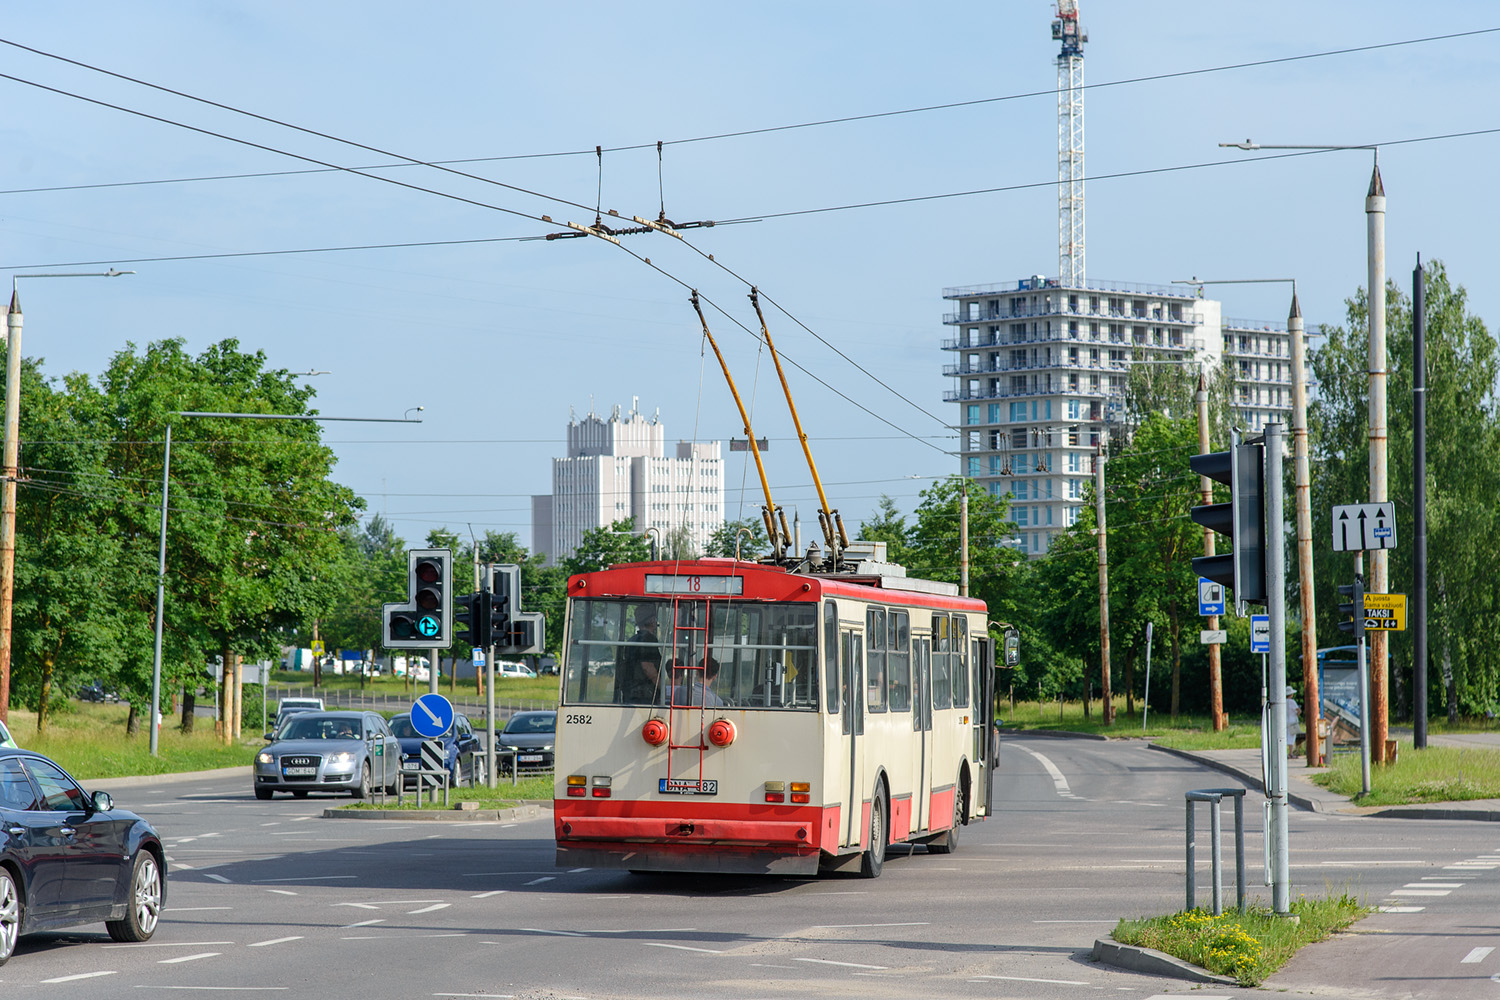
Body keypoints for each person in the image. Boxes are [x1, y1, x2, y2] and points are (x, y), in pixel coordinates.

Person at [617, 604, 662, 703]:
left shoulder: (632, 640)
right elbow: (647, 667)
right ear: (651, 621)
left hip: (630, 693)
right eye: (655, 619)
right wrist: (662, 689)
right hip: (645, 695)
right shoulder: (649, 639)